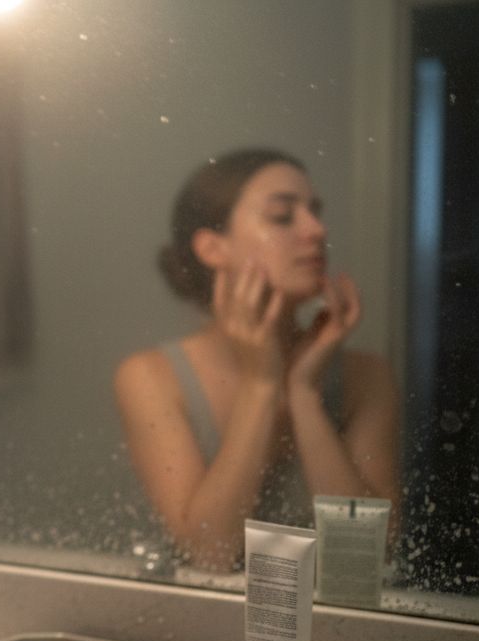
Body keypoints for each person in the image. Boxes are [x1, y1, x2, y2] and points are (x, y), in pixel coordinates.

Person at [114, 148, 400, 572]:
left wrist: (304, 395)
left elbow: (369, 559)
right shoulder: (151, 378)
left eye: (315, 212)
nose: (316, 230)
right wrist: (260, 385)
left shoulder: (366, 377)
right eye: (283, 216)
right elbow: (210, 553)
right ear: (213, 248)